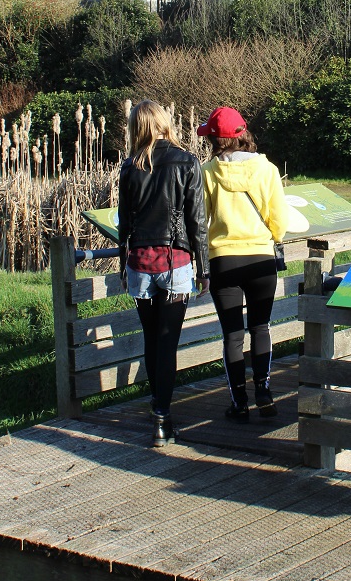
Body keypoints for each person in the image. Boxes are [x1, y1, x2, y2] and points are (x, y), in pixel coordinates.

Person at [117, 99, 209, 447]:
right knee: (168, 343)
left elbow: (125, 222)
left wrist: (122, 263)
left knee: (151, 340)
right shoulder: (187, 162)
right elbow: (197, 222)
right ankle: (161, 418)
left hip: (140, 263)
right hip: (175, 262)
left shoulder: (130, 166)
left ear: (137, 127)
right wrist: (205, 268)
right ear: (164, 122)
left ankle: (158, 413)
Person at [198, 106, 289, 422]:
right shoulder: (268, 170)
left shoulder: (208, 173)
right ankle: (263, 390)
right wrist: (271, 236)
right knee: (260, 327)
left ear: (215, 139)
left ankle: (239, 402)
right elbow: (280, 221)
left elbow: (201, 220)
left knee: (233, 336)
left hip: (224, 260)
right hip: (261, 259)